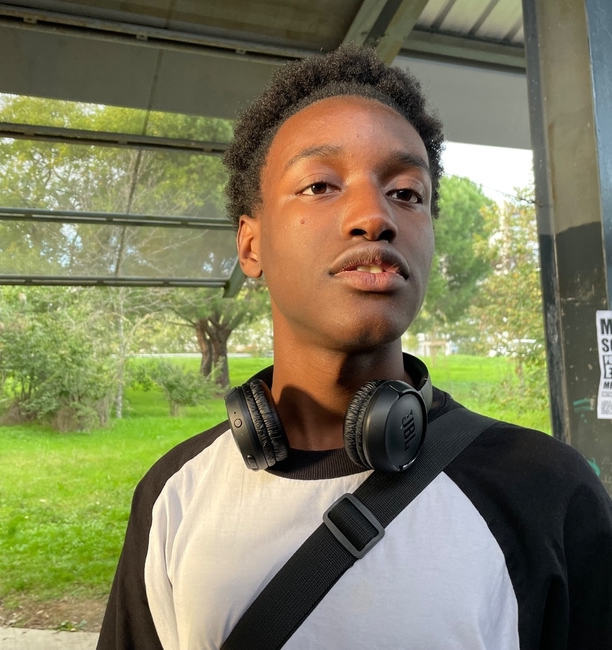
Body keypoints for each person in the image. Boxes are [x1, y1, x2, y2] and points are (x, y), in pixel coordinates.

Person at [97, 45, 612, 650]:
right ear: (251, 245)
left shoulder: (547, 492)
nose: (374, 216)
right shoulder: (173, 497)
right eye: (320, 185)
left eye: (407, 193)